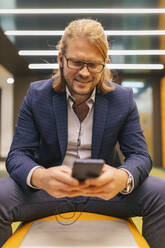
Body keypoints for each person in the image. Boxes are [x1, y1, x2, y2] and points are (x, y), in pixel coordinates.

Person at [0, 18, 165, 248]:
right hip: (48, 191)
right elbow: (17, 155)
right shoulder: (37, 95)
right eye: (76, 62)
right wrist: (41, 177)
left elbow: (141, 156)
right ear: (61, 59)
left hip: (104, 192)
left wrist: (121, 178)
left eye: (93, 64)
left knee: (162, 193)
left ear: (104, 63)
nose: (85, 73)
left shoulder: (123, 99)